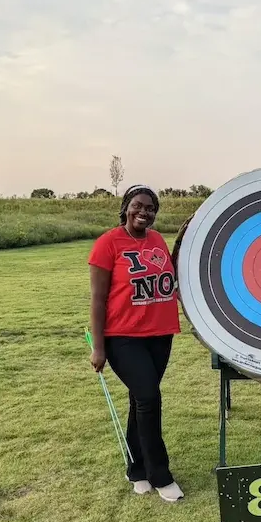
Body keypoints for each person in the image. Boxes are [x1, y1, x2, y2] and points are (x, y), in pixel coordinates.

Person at [88, 184, 193, 503]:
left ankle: (137, 470)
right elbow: (97, 299)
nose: (144, 212)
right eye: (138, 205)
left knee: (139, 401)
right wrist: (99, 346)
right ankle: (161, 475)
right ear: (125, 207)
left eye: (150, 208)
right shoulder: (108, 243)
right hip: (123, 338)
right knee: (149, 397)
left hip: (159, 335)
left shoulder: (158, 239)